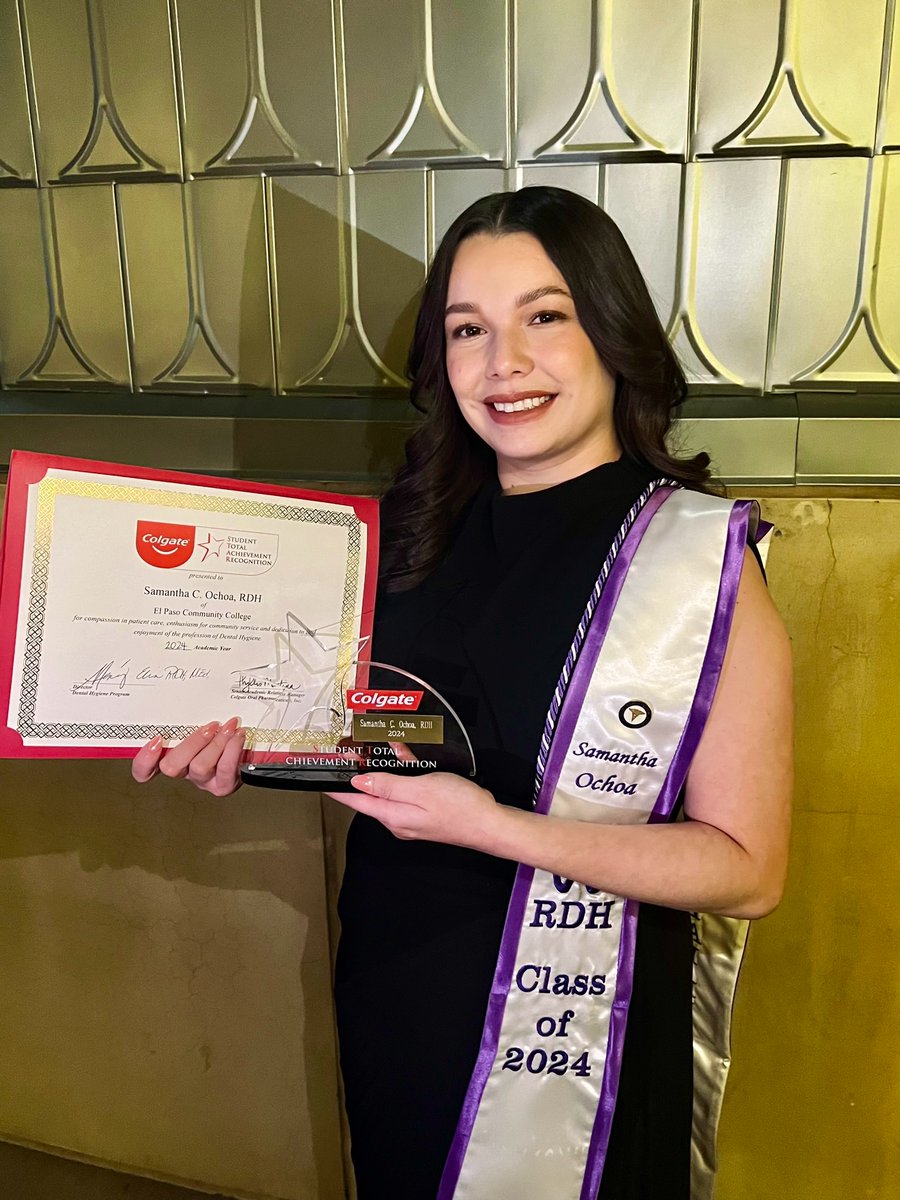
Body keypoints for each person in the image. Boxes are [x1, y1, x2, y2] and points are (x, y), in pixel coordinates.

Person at [132, 187, 792, 1200]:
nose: (505, 364)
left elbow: (747, 872)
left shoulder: (698, 561)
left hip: (586, 1033)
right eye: (467, 330)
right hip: (401, 988)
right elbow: (360, 742)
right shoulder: (393, 542)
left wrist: (494, 829)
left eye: (545, 316)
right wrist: (241, 751)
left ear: (612, 331)